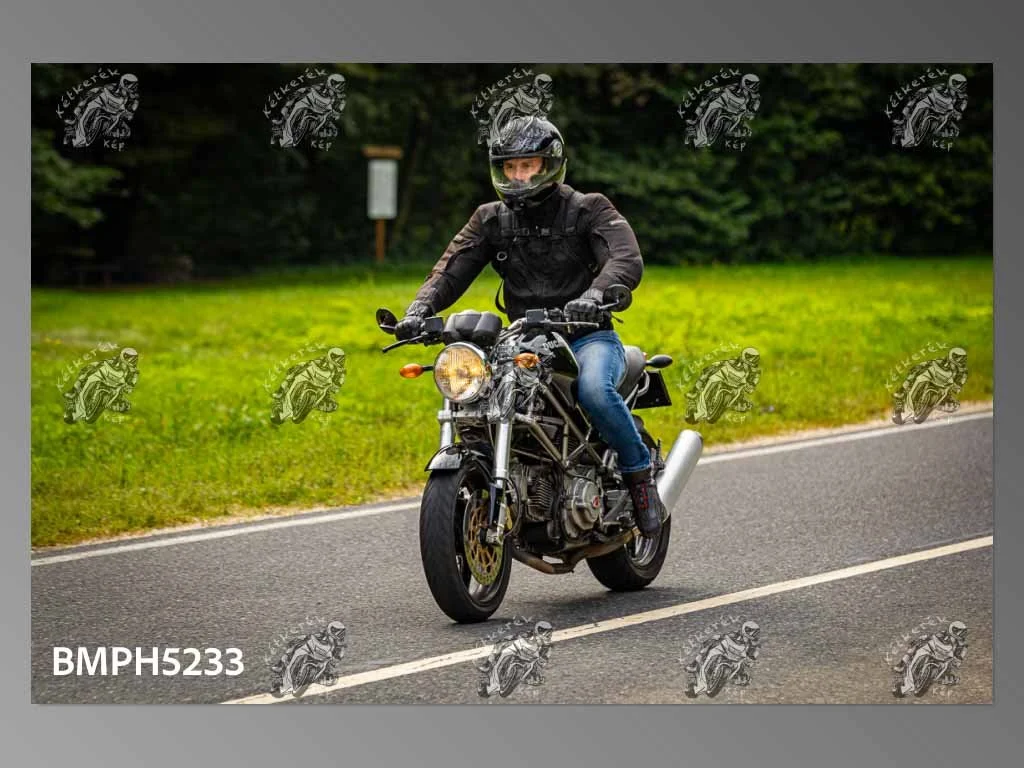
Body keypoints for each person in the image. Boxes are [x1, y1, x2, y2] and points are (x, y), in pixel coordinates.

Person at [391, 115, 666, 536]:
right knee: (477, 396)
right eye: (510, 166)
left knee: (594, 390)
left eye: (527, 165)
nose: (517, 176)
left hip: (585, 336)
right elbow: (450, 270)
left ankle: (639, 479)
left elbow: (625, 259)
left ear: (549, 165)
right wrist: (417, 311)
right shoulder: (490, 219)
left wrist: (595, 296)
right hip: (522, 339)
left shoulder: (589, 209)